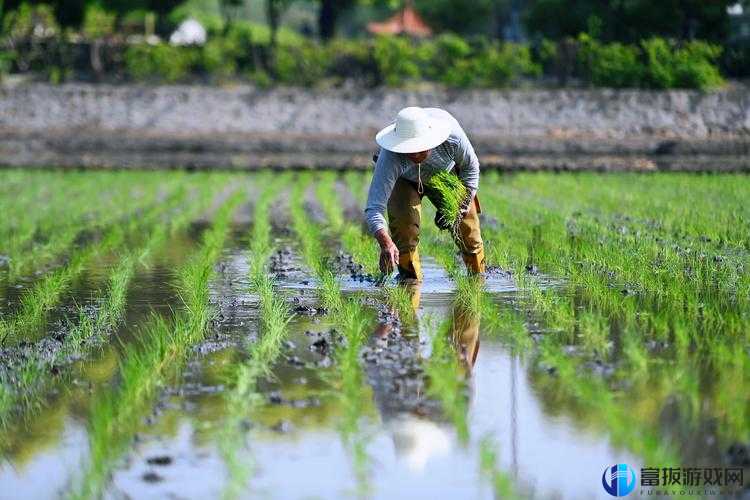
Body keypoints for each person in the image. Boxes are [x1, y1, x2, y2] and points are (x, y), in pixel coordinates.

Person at [365, 106, 485, 280]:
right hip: (405, 180)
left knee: (468, 230)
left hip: (445, 174)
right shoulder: (391, 156)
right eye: (409, 149)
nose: (415, 154)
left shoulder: (452, 138)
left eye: (420, 148)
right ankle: (410, 283)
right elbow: (373, 208)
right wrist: (386, 243)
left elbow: (471, 169)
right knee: (404, 230)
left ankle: (478, 278)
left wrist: (464, 204)